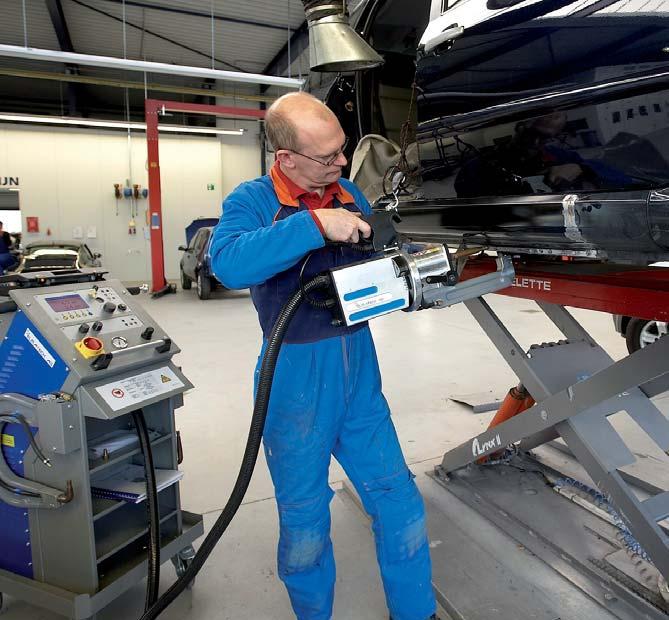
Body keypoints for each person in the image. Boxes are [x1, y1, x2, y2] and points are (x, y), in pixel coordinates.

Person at [210, 92, 438, 620]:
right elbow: (228, 264)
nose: (341, 162)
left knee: (400, 505)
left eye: (342, 150)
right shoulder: (252, 201)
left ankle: (417, 613)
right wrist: (314, 226)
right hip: (293, 378)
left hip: (358, 369)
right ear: (286, 158)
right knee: (306, 524)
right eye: (328, 155)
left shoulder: (348, 189)